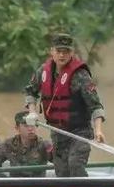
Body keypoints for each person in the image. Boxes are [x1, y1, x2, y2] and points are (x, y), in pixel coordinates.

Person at [25, 33, 106, 177]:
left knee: (75, 164)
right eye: (58, 51)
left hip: (79, 133)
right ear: (52, 52)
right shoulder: (43, 71)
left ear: (72, 53)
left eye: (66, 51)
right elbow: (30, 91)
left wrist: (98, 130)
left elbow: (96, 106)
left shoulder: (80, 75)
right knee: (61, 172)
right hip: (57, 133)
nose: (62, 55)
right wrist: (32, 112)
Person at [0, 111, 53, 177]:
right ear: (17, 128)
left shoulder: (44, 145)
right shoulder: (9, 144)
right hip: (15, 186)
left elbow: (58, 158)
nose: (31, 129)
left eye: (33, 125)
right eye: (26, 125)